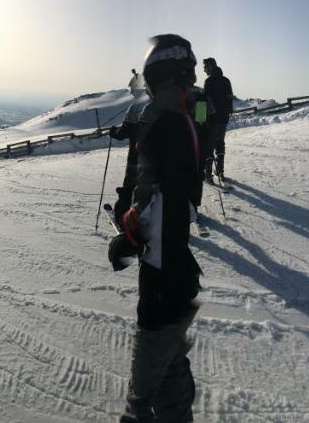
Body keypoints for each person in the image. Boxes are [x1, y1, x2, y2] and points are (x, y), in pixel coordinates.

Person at [107, 34, 204, 422]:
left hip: (165, 273)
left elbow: (157, 201)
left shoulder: (167, 124)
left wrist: (129, 235)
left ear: (157, 77)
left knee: (145, 381)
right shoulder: (175, 117)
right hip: (174, 268)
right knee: (169, 364)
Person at [110, 69, 153, 218]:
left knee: (130, 182)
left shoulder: (134, 108)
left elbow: (124, 132)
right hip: (155, 155)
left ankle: (123, 214)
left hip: (137, 153)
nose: (131, 93)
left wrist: (113, 133)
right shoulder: (155, 103)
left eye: (132, 89)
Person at [202, 57, 234, 181]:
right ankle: (220, 171)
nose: (204, 70)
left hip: (212, 118)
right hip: (224, 118)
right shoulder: (226, 81)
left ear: (210, 66)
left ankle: (208, 174)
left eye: (205, 67)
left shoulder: (209, 81)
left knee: (209, 144)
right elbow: (229, 98)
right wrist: (227, 112)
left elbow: (204, 101)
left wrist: (201, 118)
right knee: (220, 143)